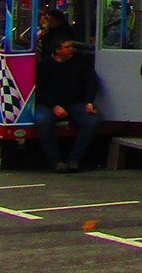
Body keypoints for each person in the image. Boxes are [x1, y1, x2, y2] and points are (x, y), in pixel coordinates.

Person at [33, 34, 100, 173]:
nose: (71, 50)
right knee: (42, 121)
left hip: (75, 104)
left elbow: (92, 81)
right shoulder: (45, 66)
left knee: (92, 121)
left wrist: (89, 102)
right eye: (67, 47)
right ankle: (56, 161)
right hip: (50, 106)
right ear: (57, 50)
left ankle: (74, 160)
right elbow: (39, 90)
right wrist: (54, 106)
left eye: (71, 46)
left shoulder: (79, 63)